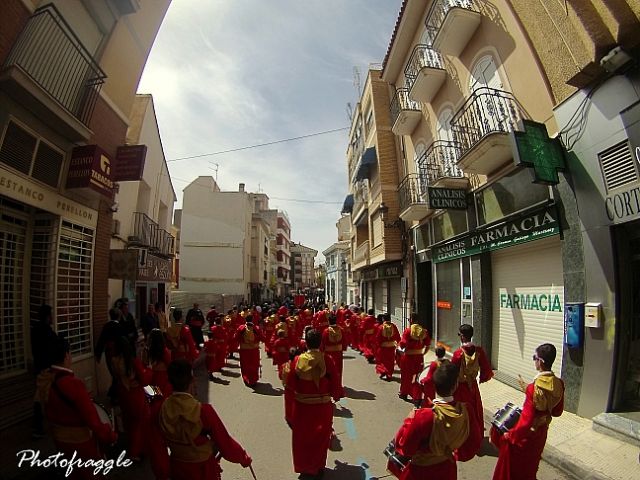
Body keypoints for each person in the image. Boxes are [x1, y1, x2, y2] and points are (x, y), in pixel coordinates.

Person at [36, 336, 117, 480]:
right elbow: (93, 421)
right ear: (66, 355)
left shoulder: (44, 381)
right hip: (81, 443)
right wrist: (109, 435)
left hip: (59, 441)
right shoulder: (73, 384)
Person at [159, 359, 252, 480]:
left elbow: (157, 445)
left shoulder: (162, 408)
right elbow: (225, 443)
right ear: (192, 381)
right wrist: (243, 457)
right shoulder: (204, 411)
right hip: (203, 469)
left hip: (177, 466)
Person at [491, 343, 564, 480]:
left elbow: (526, 422)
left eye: (534, 357)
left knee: (515, 470)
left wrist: (510, 436)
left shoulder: (534, 388)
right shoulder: (559, 383)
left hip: (527, 436)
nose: (534, 361)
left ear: (540, 361)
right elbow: (557, 411)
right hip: (541, 433)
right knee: (530, 467)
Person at [392, 362, 474, 480]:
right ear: (455, 385)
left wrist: (409, 420)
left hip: (421, 471)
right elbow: (472, 443)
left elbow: (406, 448)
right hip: (447, 468)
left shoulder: (424, 416)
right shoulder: (466, 410)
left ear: (433, 385)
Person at [284, 328, 340, 480]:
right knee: (321, 438)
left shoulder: (297, 360)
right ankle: (318, 466)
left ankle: (305, 467)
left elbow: (289, 387)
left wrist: (288, 413)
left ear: (306, 343)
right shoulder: (327, 359)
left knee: (302, 438)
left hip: (302, 407)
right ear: (320, 342)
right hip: (322, 406)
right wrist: (337, 395)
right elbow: (335, 380)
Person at [111, 335, 152, 460]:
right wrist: (148, 370)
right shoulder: (132, 361)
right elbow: (144, 379)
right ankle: (135, 451)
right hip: (135, 393)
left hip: (123, 391)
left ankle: (132, 446)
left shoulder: (114, 361)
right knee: (139, 422)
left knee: (128, 420)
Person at [451, 324, 493, 431]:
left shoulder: (457, 354)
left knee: (460, 412)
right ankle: (474, 434)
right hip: (473, 387)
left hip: (460, 387)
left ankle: (460, 435)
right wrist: (481, 378)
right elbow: (487, 370)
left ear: (462, 336)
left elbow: (452, 374)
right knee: (474, 410)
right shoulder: (479, 351)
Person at [31, 304, 57, 438]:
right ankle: (39, 426)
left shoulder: (35, 329)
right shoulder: (47, 332)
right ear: (47, 317)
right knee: (43, 397)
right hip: (47, 368)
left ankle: (39, 426)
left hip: (39, 367)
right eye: (51, 315)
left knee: (40, 396)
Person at [95, 307, 126, 402]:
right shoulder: (119, 327)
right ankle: (114, 395)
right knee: (117, 374)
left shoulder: (106, 326)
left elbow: (101, 340)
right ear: (119, 316)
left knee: (114, 374)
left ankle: (113, 394)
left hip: (108, 353)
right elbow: (123, 342)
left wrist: (98, 354)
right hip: (117, 353)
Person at [398, 315, 431, 401]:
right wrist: (423, 353)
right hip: (419, 356)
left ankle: (404, 393)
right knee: (417, 376)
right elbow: (428, 345)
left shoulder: (408, 331)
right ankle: (417, 396)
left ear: (411, 320)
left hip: (408, 357)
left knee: (406, 376)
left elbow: (402, 344)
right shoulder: (424, 331)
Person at [321, 314, 348, 398]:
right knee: (338, 371)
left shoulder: (326, 331)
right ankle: (338, 387)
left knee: (329, 371)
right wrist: (343, 348)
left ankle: (330, 387)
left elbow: (323, 343)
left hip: (328, 354)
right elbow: (344, 341)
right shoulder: (341, 330)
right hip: (338, 353)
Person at [235, 315, 264, 387]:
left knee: (245, 365)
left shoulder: (241, 328)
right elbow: (263, 338)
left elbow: (236, 337)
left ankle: (246, 379)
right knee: (254, 364)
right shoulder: (256, 328)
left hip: (244, 349)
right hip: (254, 350)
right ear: (252, 319)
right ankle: (253, 380)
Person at [375, 313, 401, 381]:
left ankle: (384, 371)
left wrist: (378, 345)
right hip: (392, 346)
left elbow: (378, 338)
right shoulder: (394, 326)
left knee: (383, 360)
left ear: (383, 319)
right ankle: (389, 374)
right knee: (391, 361)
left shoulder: (381, 327)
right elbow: (398, 337)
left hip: (383, 347)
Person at [148, 328, 173, 397]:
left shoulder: (148, 350)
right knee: (163, 397)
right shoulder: (164, 350)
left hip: (152, 376)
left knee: (155, 397)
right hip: (162, 377)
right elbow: (169, 364)